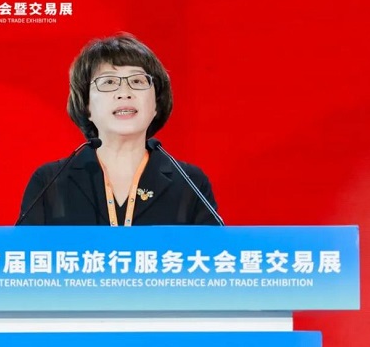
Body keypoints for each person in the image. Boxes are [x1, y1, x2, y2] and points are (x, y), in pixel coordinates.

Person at [18, 33, 220, 226]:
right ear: (86, 106)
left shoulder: (190, 183)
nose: (124, 93)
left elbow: (214, 250)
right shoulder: (50, 182)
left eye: (137, 81)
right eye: (109, 82)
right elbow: (25, 249)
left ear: (156, 105)